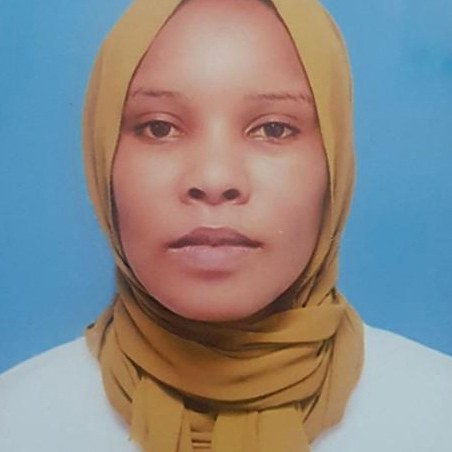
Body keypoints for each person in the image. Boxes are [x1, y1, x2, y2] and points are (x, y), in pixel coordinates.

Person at [0, 0, 451, 451]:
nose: (214, 179)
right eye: (158, 128)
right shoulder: (18, 421)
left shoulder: (434, 416)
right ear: (102, 157)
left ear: (334, 162)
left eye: (273, 129)